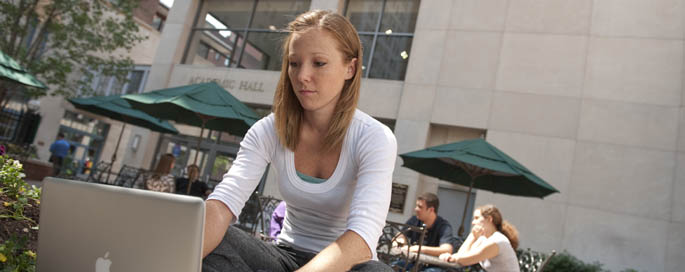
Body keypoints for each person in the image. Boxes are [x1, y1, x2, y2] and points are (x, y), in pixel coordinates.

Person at [202, 10, 397, 272]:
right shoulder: (268, 130)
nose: (302, 75)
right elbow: (223, 203)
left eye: (319, 63)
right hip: (284, 257)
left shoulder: (374, 137)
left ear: (350, 68)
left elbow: (362, 239)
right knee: (213, 236)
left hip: (344, 265)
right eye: (294, 63)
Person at [439, 204, 520, 272]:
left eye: (477, 218)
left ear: (489, 219)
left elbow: (466, 260)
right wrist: (472, 236)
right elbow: (462, 255)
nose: (473, 222)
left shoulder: (497, 241)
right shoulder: (483, 239)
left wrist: (451, 257)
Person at [393, 192, 455, 272]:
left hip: (434, 266)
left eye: (420, 207)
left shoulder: (444, 226)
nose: (416, 209)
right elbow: (400, 236)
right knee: (394, 266)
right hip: (413, 262)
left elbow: (447, 249)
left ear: (431, 210)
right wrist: (400, 241)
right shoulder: (414, 220)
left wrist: (420, 249)